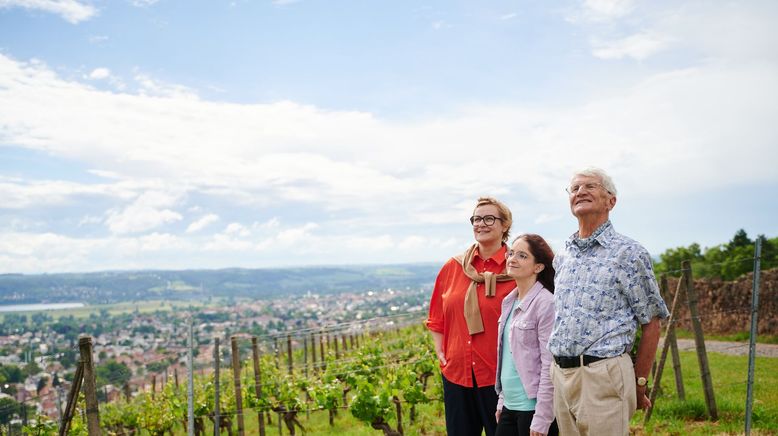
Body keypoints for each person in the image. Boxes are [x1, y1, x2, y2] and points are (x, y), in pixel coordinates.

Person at [548, 168, 670, 436]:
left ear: (610, 201)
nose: (580, 192)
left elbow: (651, 322)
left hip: (603, 375)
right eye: (575, 188)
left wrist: (639, 381)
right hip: (562, 376)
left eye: (590, 186)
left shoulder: (629, 253)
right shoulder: (563, 256)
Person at [426, 197, 516, 436]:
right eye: (476, 219)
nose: (481, 224)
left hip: (501, 376)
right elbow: (436, 317)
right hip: (458, 374)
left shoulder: (517, 267)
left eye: (489, 218)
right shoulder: (453, 266)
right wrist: (441, 354)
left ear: (504, 225)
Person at [495, 234, 559, 436]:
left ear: (538, 267)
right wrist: (502, 401)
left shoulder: (546, 303)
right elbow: (508, 357)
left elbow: (550, 365)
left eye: (522, 256)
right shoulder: (509, 301)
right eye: (511, 253)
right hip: (509, 407)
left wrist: (542, 418)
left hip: (532, 411)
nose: (512, 259)